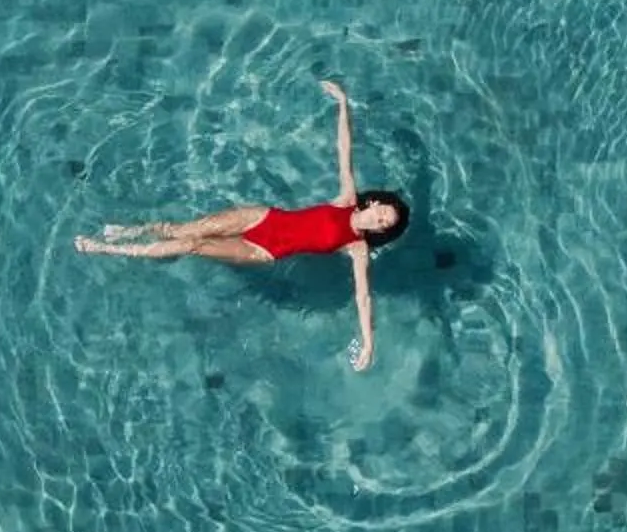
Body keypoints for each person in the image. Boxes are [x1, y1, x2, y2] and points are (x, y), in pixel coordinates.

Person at [75, 80, 412, 370]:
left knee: (194, 245)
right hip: (263, 216)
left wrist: (368, 343)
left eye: (385, 223)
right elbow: (344, 149)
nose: (381, 218)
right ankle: (127, 231)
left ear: (381, 230)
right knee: (184, 229)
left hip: (263, 249)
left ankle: (109, 248)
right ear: (376, 202)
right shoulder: (347, 198)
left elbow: (363, 296)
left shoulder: (357, 248)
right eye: (385, 211)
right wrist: (342, 103)